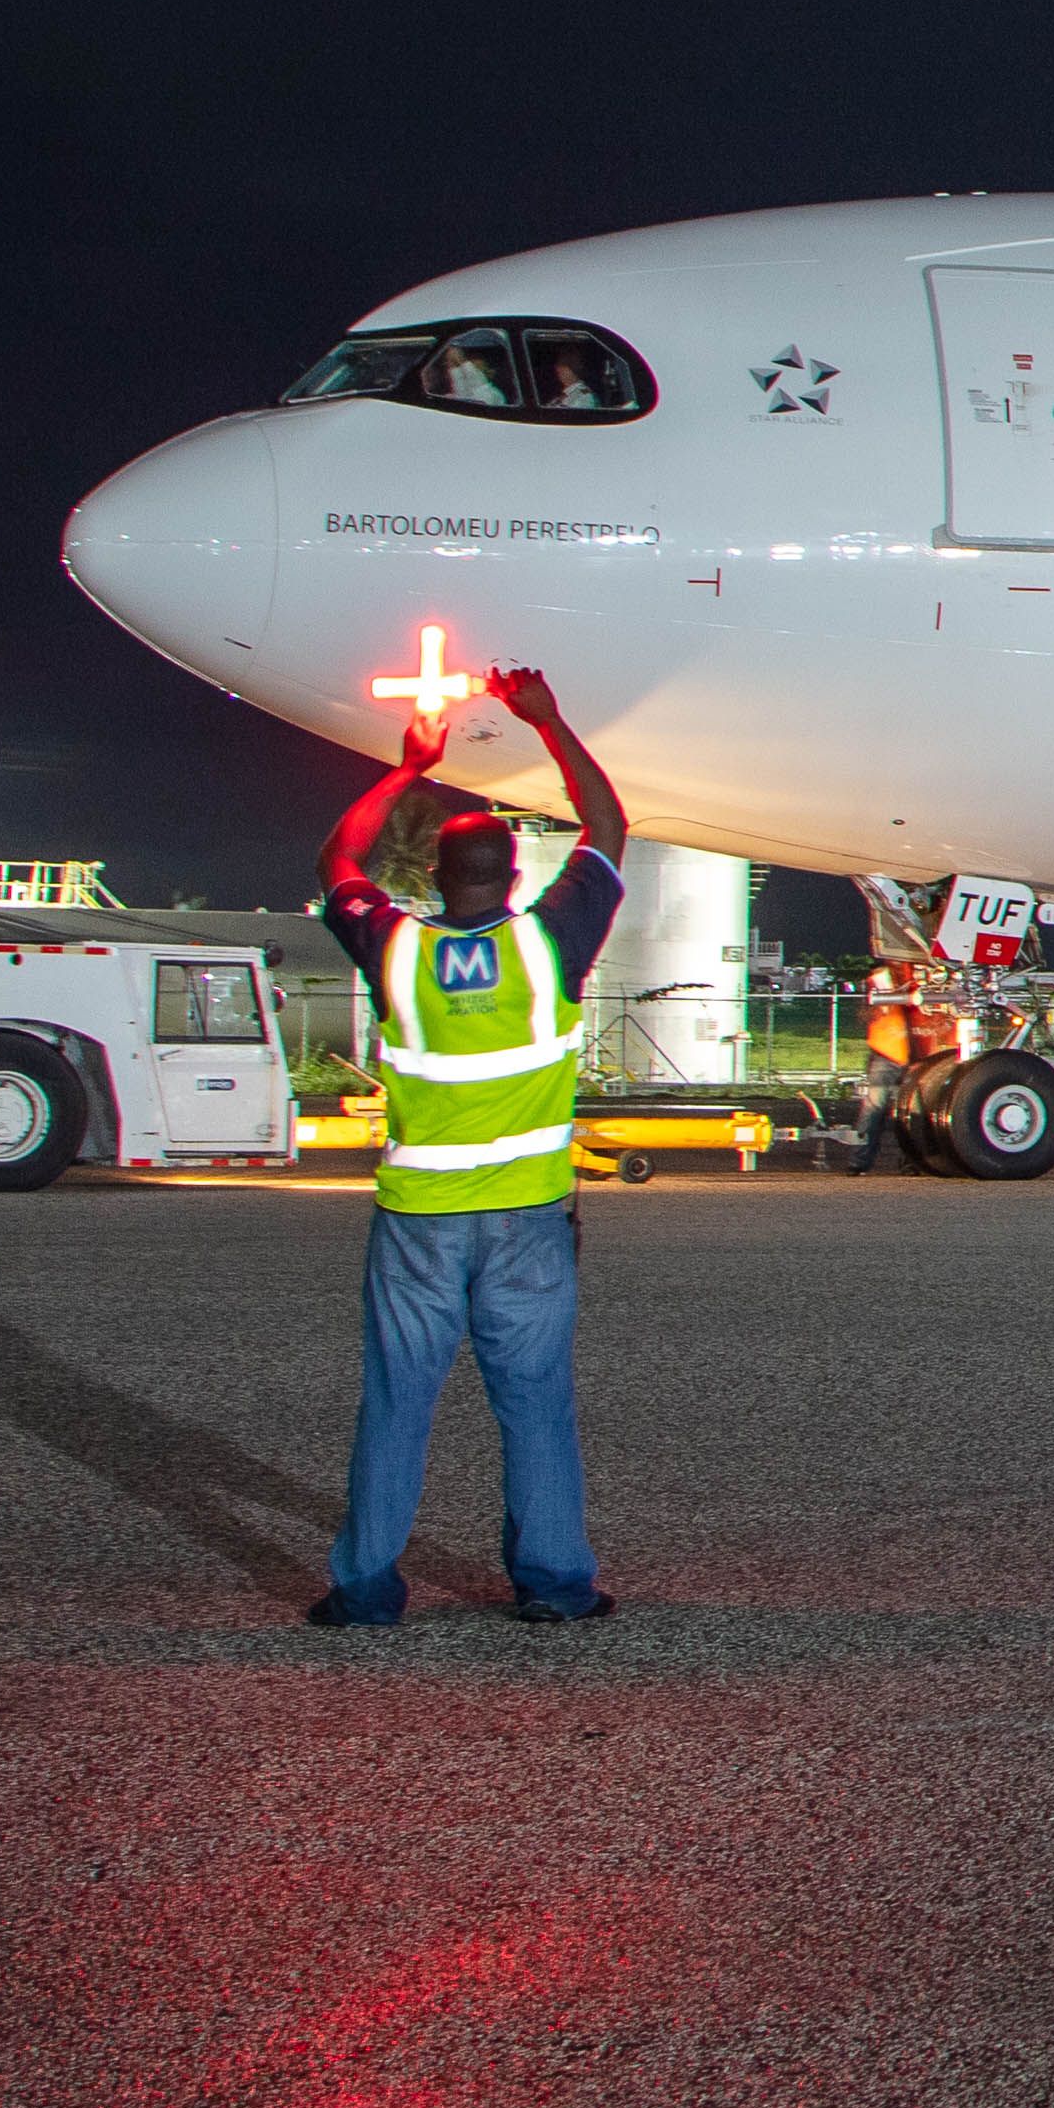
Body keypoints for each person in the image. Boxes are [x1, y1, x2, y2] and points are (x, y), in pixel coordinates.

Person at [310, 664, 628, 1629]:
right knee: (534, 1405)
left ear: (434, 881)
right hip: (527, 1221)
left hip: (418, 1225)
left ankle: (366, 1589)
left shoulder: (394, 950)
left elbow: (338, 861)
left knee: (397, 1405)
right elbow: (607, 828)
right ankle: (555, 1583)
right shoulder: (551, 946)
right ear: (517, 877)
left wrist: (408, 768)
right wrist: (550, 718)